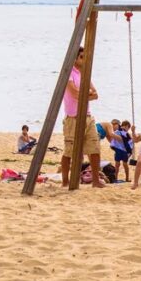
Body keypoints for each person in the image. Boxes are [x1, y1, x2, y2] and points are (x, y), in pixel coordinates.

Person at [61, 47, 102, 188]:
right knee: (70, 151)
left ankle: (96, 181)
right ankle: (66, 180)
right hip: (73, 117)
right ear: (75, 58)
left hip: (87, 116)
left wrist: (84, 95)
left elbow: (95, 94)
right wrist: (86, 94)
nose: (84, 59)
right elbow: (74, 93)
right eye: (82, 57)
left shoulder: (85, 74)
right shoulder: (69, 73)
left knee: (95, 148)